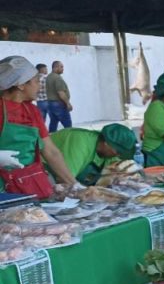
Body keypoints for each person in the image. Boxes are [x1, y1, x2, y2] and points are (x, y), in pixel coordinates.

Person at [0, 56, 77, 197]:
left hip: (28, 182)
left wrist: (74, 184)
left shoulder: (32, 110)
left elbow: (50, 151)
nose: (39, 86)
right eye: (36, 81)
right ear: (21, 85)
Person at [50, 123, 137, 186]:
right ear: (106, 144)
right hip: (49, 173)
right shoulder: (80, 143)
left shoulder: (108, 153)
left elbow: (117, 172)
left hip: (72, 178)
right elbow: (64, 180)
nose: (118, 156)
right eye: (118, 152)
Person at [44, 60, 72, 132]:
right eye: (61, 67)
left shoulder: (49, 77)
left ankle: (52, 137)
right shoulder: (57, 78)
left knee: (53, 123)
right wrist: (68, 104)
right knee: (67, 125)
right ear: (55, 67)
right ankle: (69, 138)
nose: (63, 69)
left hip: (50, 103)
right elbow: (61, 93)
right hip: (59, 104)